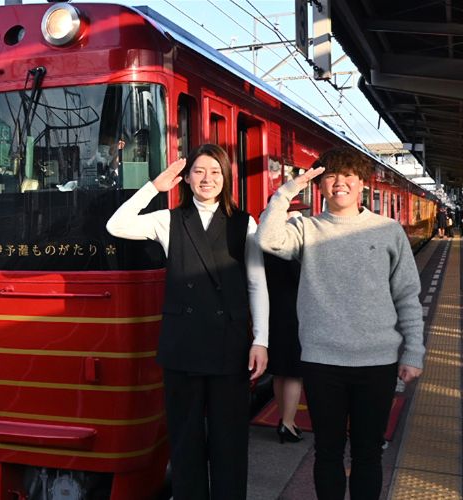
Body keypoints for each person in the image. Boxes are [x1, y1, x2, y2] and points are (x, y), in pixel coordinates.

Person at [256, 147, 424, 500]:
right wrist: (287, 190)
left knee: (367, 454)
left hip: (377, 362)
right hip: (321, 361)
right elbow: (268, 240)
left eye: (348, 175)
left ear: (362, 183)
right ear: (320, 185)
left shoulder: (389, 230)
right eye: (330, 176)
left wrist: (413, 351)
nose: (340, 183)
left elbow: (407, 295)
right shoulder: (306, 227)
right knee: (327, 453)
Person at [106, 144, 269, 499]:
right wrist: (153, 188)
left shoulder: (245, 223)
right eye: (198, 171)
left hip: (231, 345)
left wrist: (261, 340)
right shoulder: (169, 219)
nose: (207, 179)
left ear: (226, 177)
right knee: (185, 441)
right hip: (183, 346)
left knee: (230, 441)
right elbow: (115, 225)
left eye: (214, 171)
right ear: (187, 178)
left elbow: (257, 284)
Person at [263, 199, 308, 444]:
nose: (296, 218)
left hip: (272, 313)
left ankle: (283, 418)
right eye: (292, 213)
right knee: (293, 373)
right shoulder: (287, 247)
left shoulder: (263, 241)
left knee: (279, 372)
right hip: (293, 314)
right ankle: (288, 424)